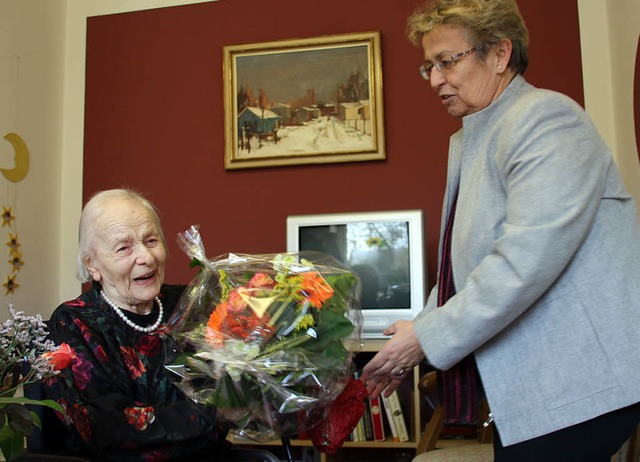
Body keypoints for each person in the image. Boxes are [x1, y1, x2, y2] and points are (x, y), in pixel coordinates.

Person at [360, 1, 640, 460]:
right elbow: (463, 269)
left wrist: (424, 339)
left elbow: (522, 263)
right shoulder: (476, 135)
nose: (435, 80)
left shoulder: (545, 118)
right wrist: (420, 330)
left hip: (585, 378)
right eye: (428, 66)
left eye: (447, 61)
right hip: (546, 384)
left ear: (500, 54)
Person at [43, 189, 228, 461]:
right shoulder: (74, 323)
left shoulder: (189, 304)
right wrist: (222, 413)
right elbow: (107, 429)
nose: (147, 257)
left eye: (151, 240)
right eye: (124, 247)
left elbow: (234, 383)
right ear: (92, 265)